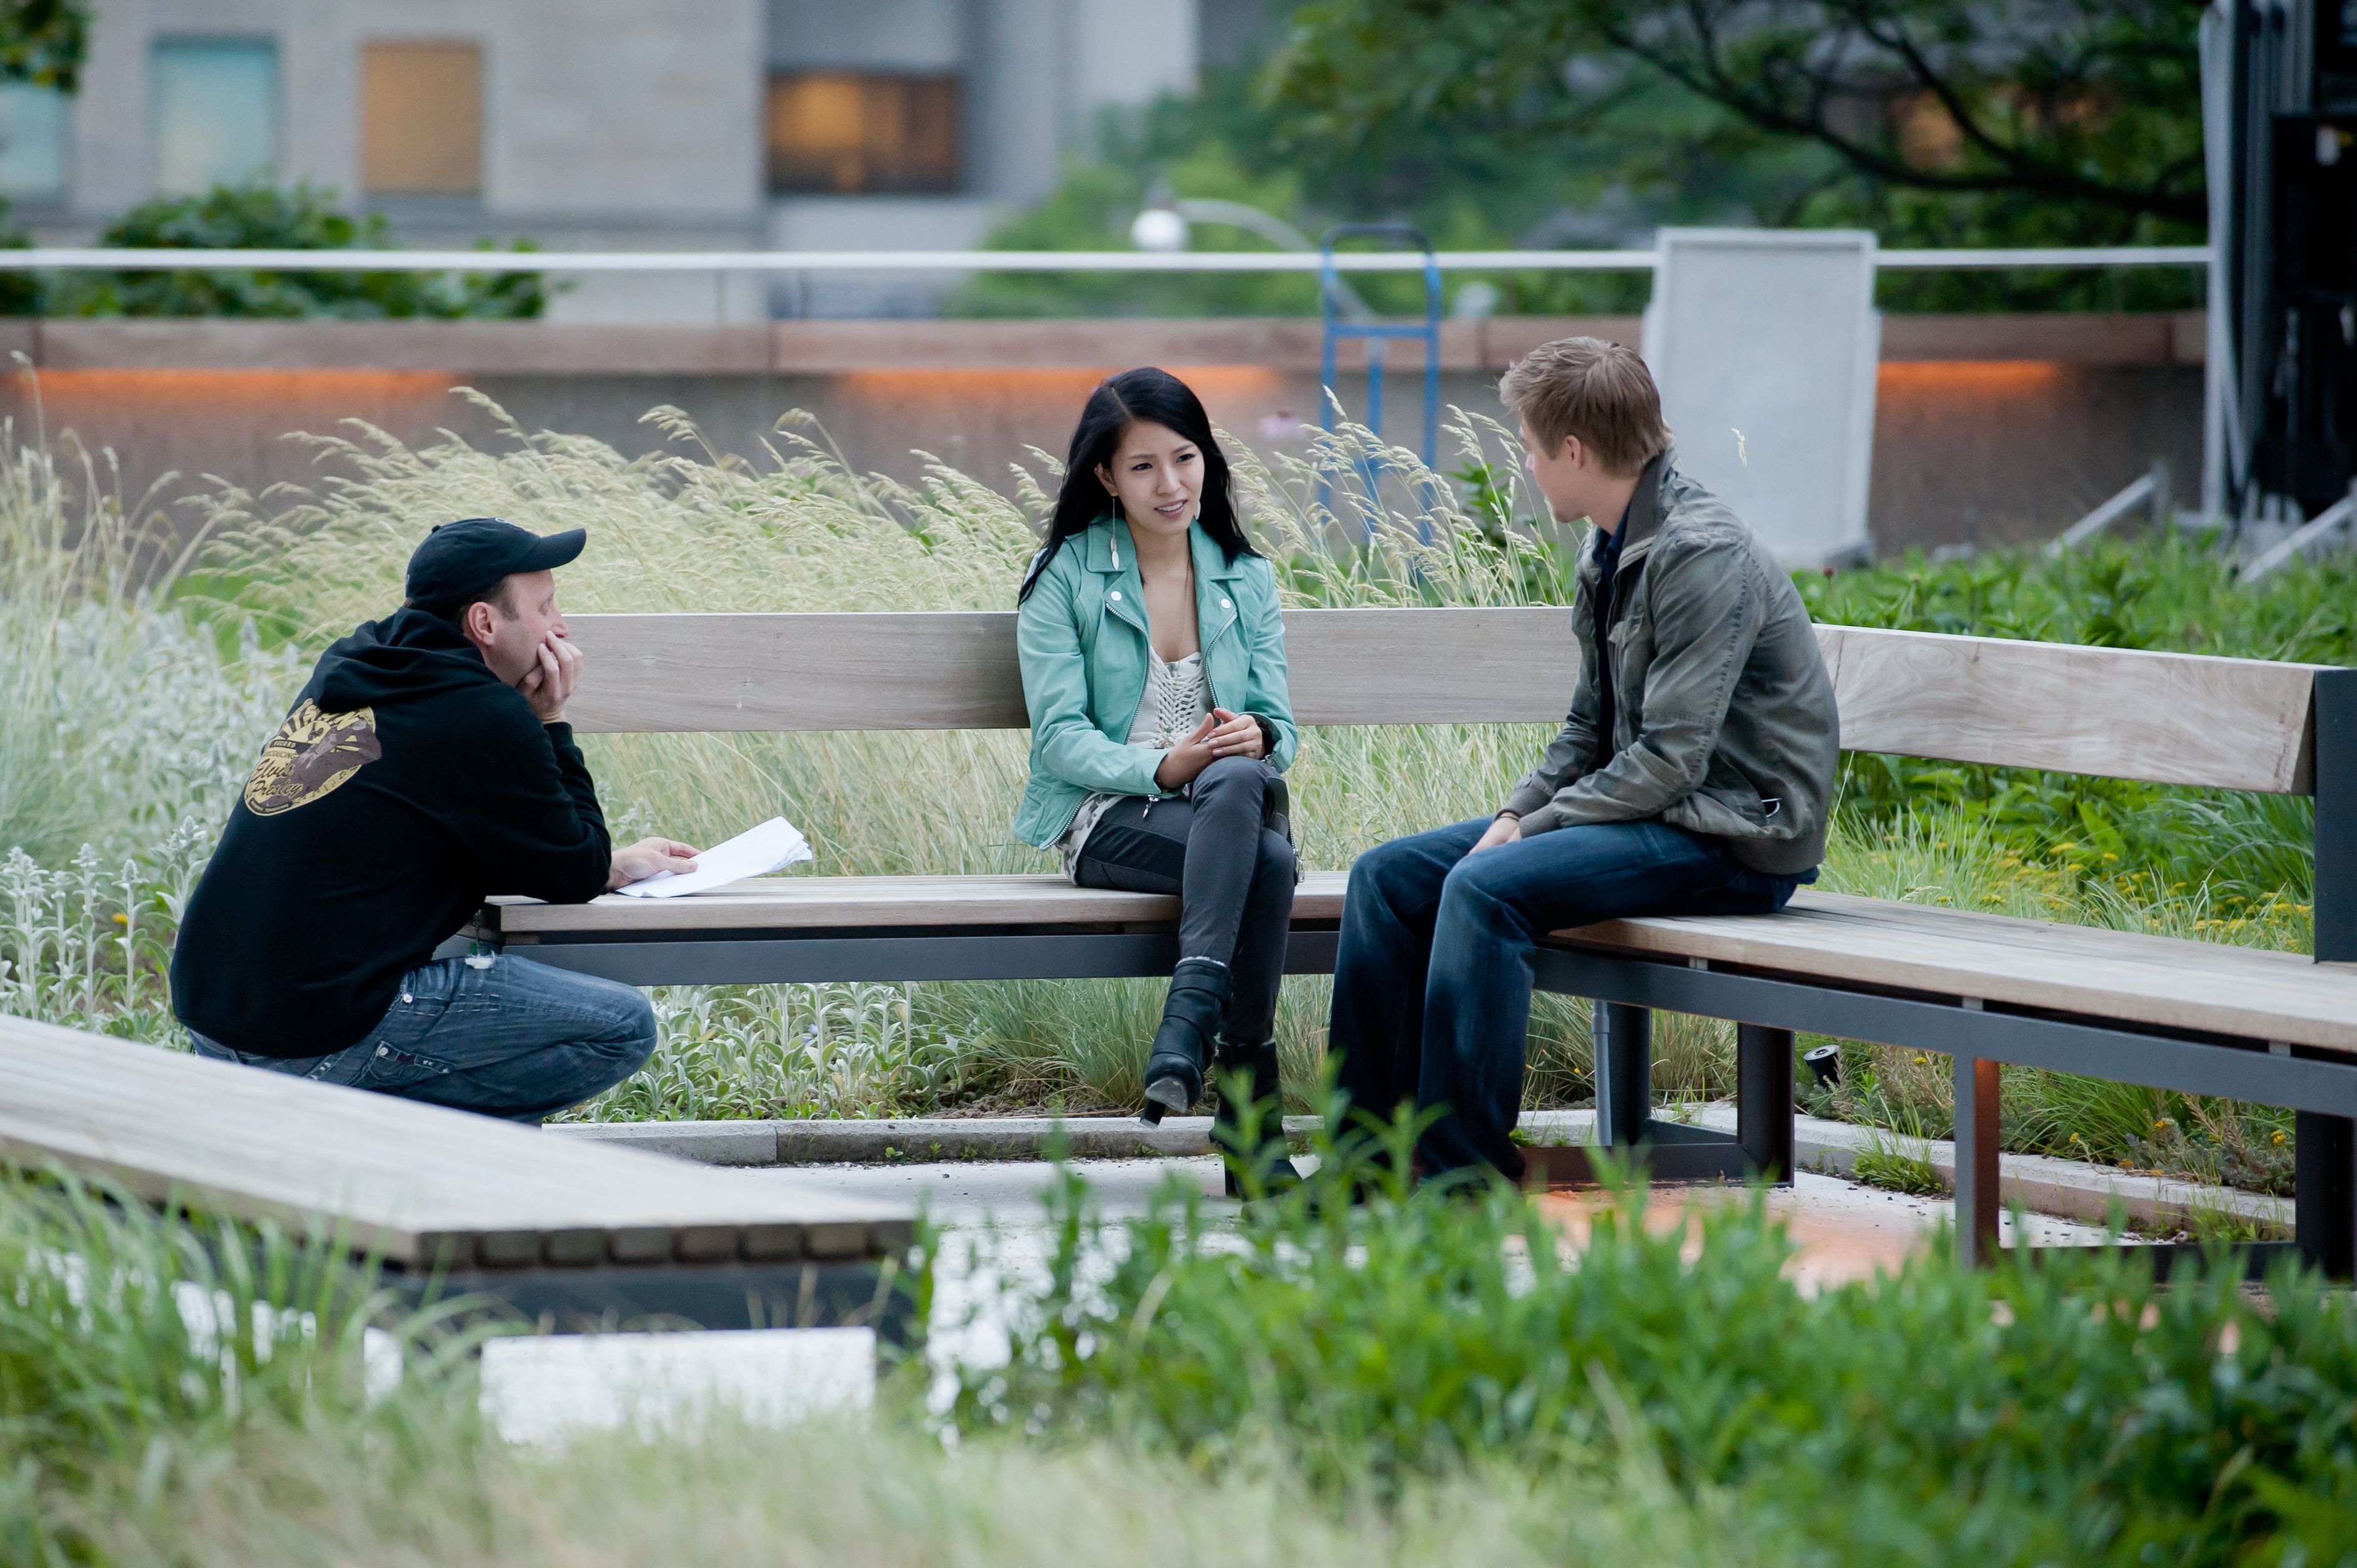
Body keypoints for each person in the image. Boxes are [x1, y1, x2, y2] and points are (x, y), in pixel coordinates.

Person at [1326, 336, 1840, 1183]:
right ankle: (1364, 1166)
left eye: (1529, 447)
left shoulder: (1698, 555)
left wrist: (1532, 830)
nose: (1526, 466)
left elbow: (1670, 761)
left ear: (1573, 451)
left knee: (1484, 889)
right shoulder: (1610, 544)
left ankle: (1458, 1177)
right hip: (1657, 813)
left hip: (1731, 835)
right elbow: (1584, 732)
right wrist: (1510, 814)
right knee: (1384, 879)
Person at [170, 517, 701, 1124]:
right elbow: (573, 870)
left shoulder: (358, 662)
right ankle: (412, 1158)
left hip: (217, 1018)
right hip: (307, 1036)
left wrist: (607, 863)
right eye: (546, 607)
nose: (562, 628)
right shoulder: (480, 713)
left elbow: (502, 841)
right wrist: (550, 718)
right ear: (484, 622)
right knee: (621, 1026)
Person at [1013, 368, 1301, 1193]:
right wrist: (1158, 765)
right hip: (1106, 817)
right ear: (1104, 477)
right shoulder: (1063, 575)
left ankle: (1186, 1034)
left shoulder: (1244, 577)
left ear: (1207, 458)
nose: (1169, 484)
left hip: (1221, 812)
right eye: (1142, 467)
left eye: (1183, 458)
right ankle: (1249, 1121)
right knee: (1268, 861)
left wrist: (1259, 733)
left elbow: (1279, 725)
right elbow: (1060, 742)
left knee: (1244, 791)